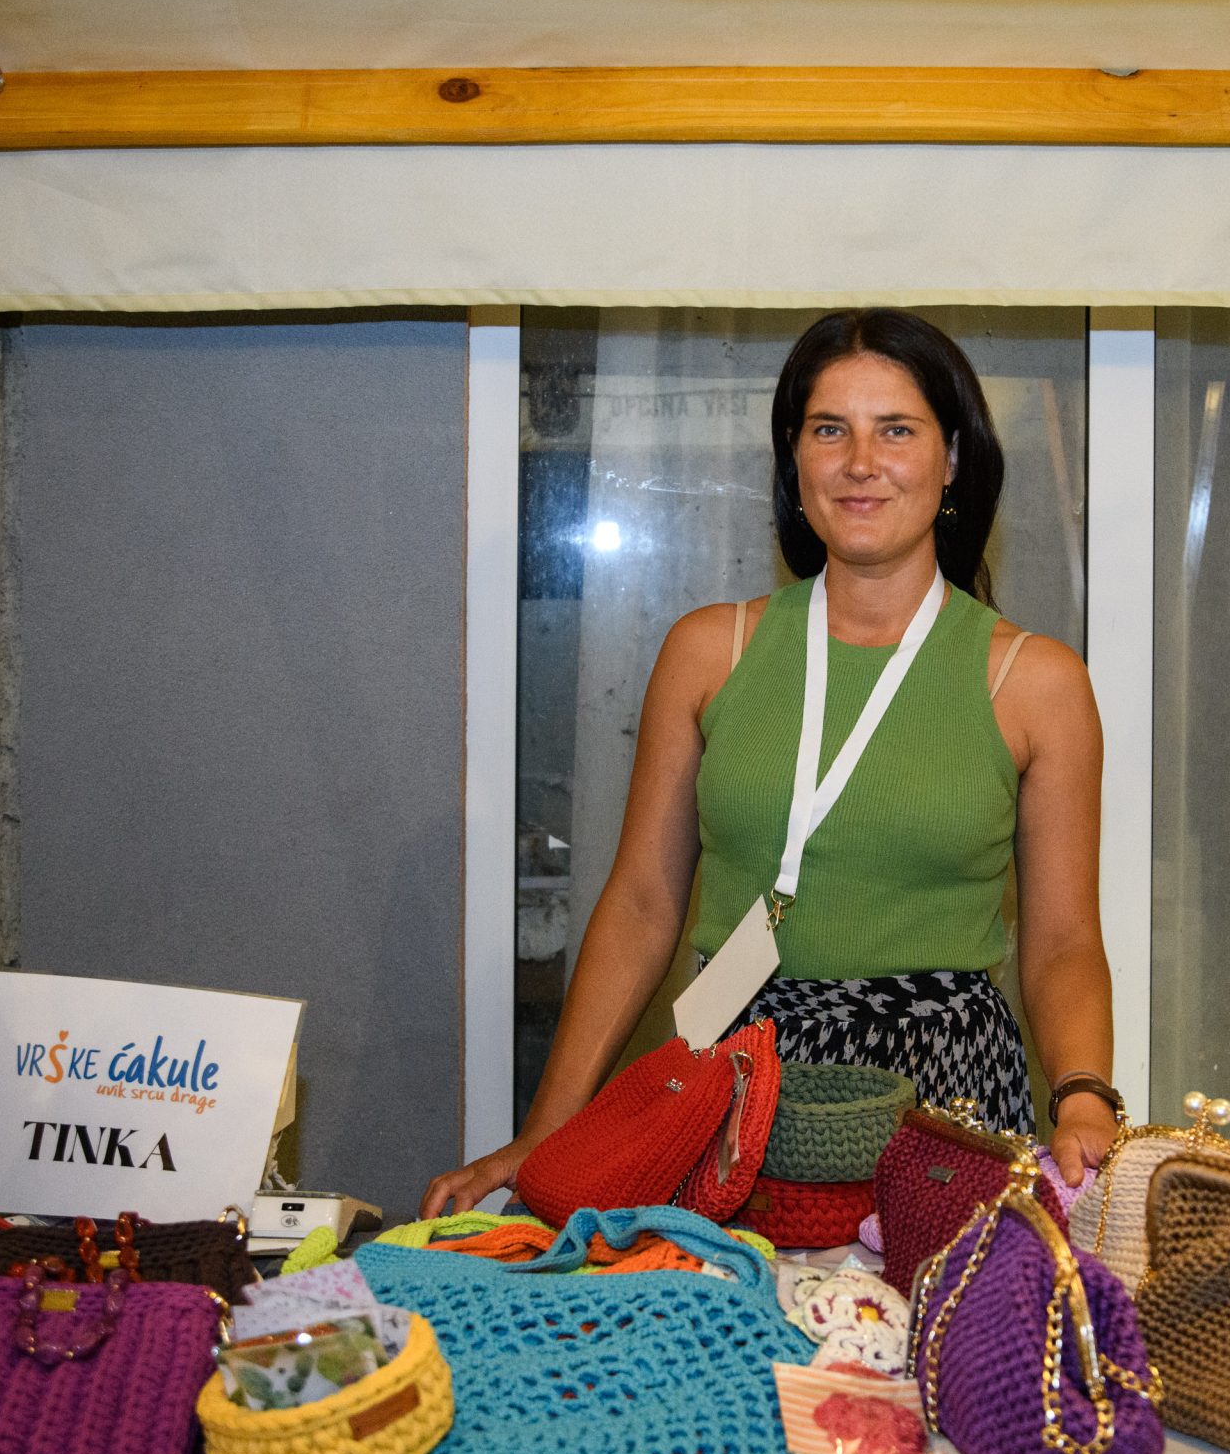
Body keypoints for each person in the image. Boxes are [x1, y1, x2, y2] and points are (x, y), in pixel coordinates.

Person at [421, 308, 1122, 1220]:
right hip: (729, 1092)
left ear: (952, 457)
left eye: (896, 430)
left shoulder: (1036, 680)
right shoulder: (709, 652)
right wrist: (545, 1130)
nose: (860, 461)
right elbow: (641, 904)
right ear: (795, 458)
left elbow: (1063, 941)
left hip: (944, 1111)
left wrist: (1082, 1094)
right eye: (829, 429)